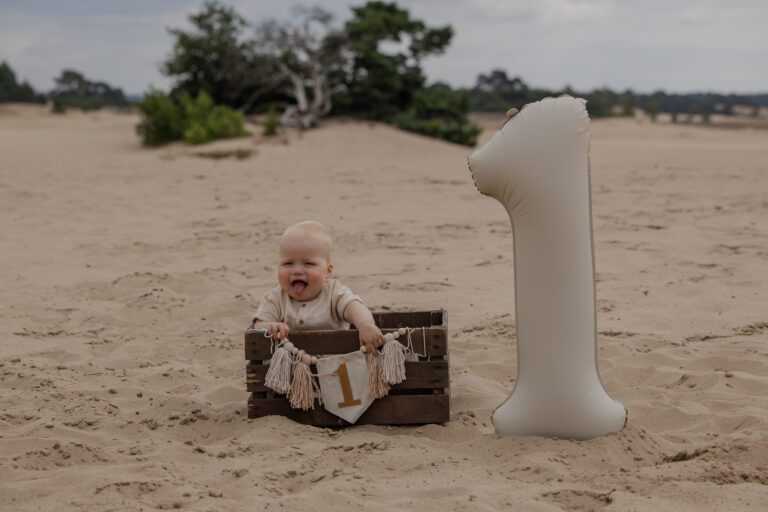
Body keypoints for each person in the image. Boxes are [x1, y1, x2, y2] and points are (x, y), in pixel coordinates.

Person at [252, 221, 384, 352]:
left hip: (335, 362)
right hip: (288, 364)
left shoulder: (334, 293)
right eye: (288, 263)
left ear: (327, 271)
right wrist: (270, 327)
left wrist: (365, 325)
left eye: (308, 264)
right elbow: (257, 327)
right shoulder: (276, 298)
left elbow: (353, 306)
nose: (297, 270)